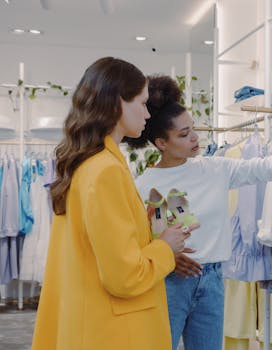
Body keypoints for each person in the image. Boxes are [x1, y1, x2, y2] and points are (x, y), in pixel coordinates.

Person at [127, 75, 272, 350]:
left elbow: (268, 166)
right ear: (161, 143)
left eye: (193, 129)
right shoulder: (143, 185)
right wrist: (166, 254)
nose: (195, 138)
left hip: (213, 281)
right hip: (168, 283)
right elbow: (134, 241)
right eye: (184, 134)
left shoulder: (216, 169)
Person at [32, 57, 198, 350]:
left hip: (92, 322)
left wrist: (146, 232)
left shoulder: (88, 164)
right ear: (118, 102)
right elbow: (124, 276)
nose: (148, 114)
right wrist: (165, 247)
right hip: (115, 332)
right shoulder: (105, 170)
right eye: (143, 103)